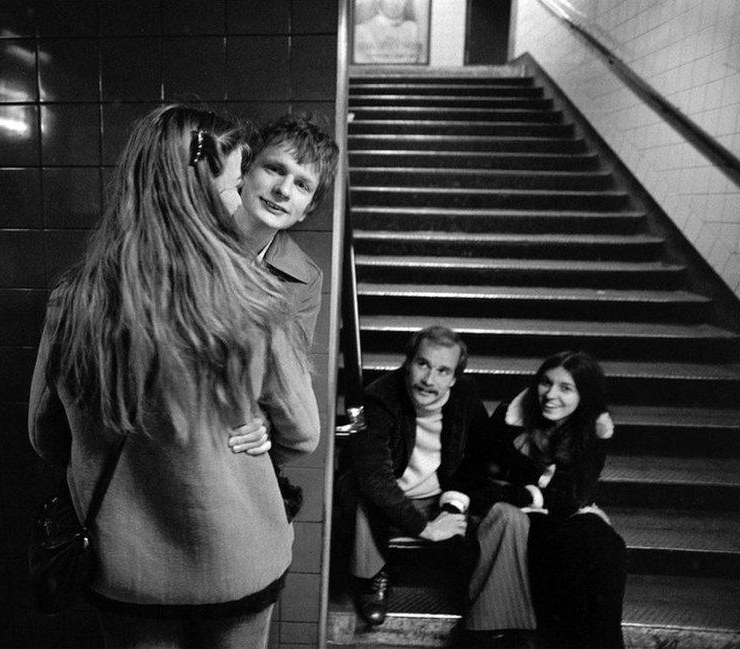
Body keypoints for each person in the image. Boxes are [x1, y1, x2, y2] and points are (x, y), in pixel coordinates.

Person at [28, 105, 320, 649]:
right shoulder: (259, 303)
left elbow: (45, 437)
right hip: (238, 563)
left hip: (125, 570)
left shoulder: (73, 301)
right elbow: (303, 434)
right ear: (202, 195)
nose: (242, 200)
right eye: (237, 184)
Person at [469, 351, 626, 648]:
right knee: (575, 543)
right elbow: (480, 480)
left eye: (566, 388)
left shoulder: (592, 428)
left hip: (556, 523)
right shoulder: (510, 418)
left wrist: (539, 492)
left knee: (605, 543)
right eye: (545, 382)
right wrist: (535, 490)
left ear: (585, 395)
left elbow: (577, 493)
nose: (550, 395)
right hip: (509, 524)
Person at [342, 326, 489, 626]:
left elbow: (482, 453)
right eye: (423, 364)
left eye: (442, 370)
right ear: (408, 362)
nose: (429, 379)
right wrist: (426, 528)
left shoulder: (465, 394)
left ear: (454, 377)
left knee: (498, 510)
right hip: (388, 496)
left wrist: (454, 504)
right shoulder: (379, 397)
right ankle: (372, 578)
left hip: (437, 496)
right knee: (356, 487)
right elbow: (375, 478)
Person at [231, 113, 339, 347]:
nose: (284, 190)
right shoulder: (188, 238)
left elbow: (289, 371)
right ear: (244, 171)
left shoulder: (307, 279)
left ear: (306, 209)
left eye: (302, 184)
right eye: (275, 169)